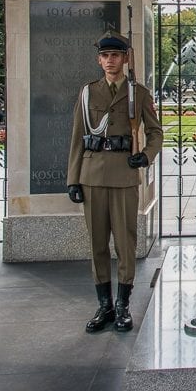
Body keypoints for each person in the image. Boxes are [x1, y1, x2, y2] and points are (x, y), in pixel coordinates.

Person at [67, 31, 163, 333]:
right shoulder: (87, 93)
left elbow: (156, 132)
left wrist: (145, 156)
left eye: (116, 55)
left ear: (125, 59)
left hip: (123, 176)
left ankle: (123, 306)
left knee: (125, 243)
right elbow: (77, 137)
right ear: (99, 60)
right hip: (92, 176)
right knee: (97, 244)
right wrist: (73, 179)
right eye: (105, 56)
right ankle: (104, 306)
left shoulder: (139, 94)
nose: (110, 61)